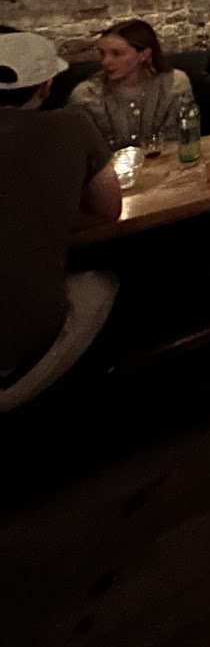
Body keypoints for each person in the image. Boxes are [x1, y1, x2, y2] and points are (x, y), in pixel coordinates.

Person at [0, 32, 122, 404]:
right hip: (18, 361)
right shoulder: (73, 125)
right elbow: (108, 210)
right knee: (103, 281)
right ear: (46, 84)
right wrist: (48, 213)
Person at [70, 19, 194, 148]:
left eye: (116, 53)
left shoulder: (174, 83)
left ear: (144, 55)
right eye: (102, 53)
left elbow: (180, 138)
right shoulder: (87, 95)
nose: (105, 61)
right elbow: (81, 148)